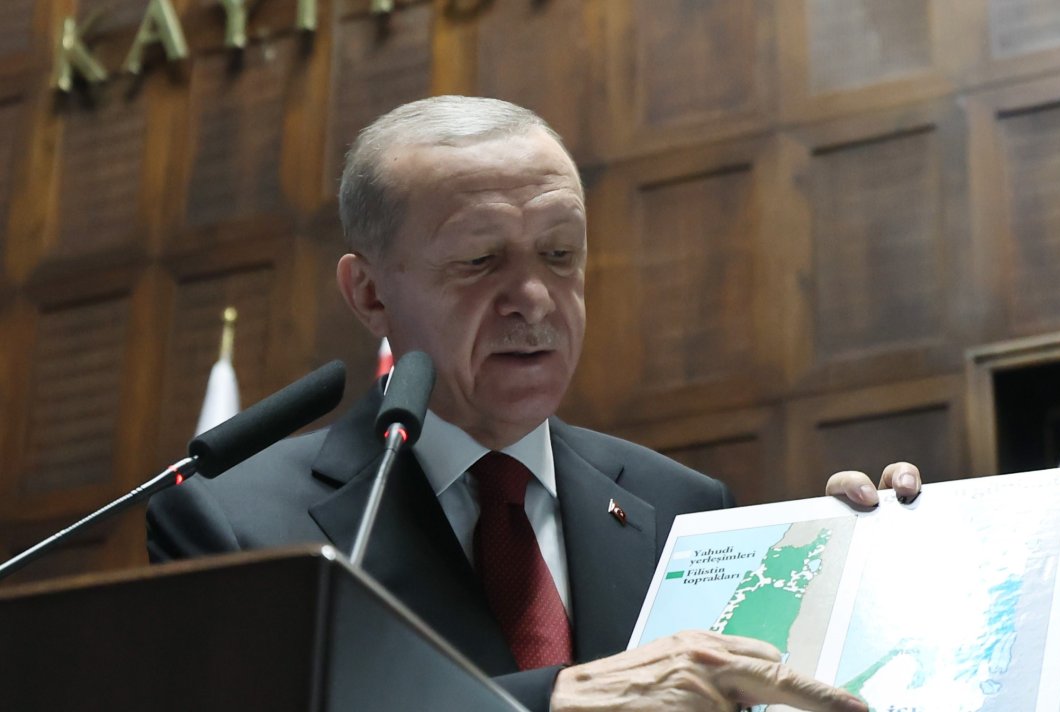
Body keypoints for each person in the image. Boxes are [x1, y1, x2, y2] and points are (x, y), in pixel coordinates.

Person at [146, 96, 921, 712]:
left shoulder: (680, 505)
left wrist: (860, 583)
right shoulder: (234, 525)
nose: (534, 299)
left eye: (560, 255)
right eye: (481, 260)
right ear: (371, 292)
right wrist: (548, 702)